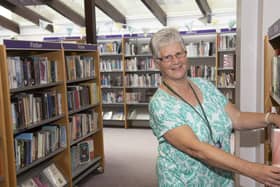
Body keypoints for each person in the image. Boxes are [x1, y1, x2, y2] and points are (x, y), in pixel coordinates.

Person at [148, 27, 280, 186]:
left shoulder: (204, 85)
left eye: (179, 54)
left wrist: (270, 118)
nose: (176, 61)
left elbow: (236, 117)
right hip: (184, 181)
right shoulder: (160, 104)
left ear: (186, 54)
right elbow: (197, 149)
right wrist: (253, 170)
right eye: (167, 57)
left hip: (220, 177)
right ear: (157, 63)